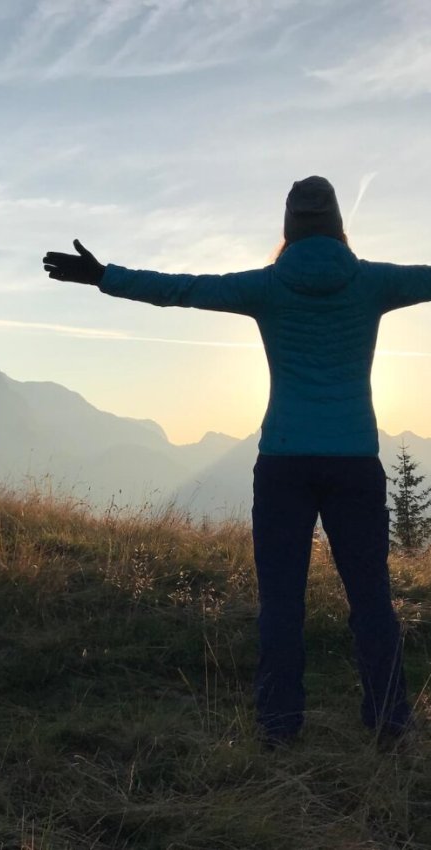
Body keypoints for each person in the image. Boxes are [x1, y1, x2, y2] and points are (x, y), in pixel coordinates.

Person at [43, 176, 429, 749]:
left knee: (281, 602)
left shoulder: (268, 286)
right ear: (339, 225)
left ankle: (278, 727)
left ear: (288, 228)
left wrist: (105, 277)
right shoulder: (373, 282)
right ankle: (390, 721)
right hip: (354, 461)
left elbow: (185, 288)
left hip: (283, 464)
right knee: (371, 597)